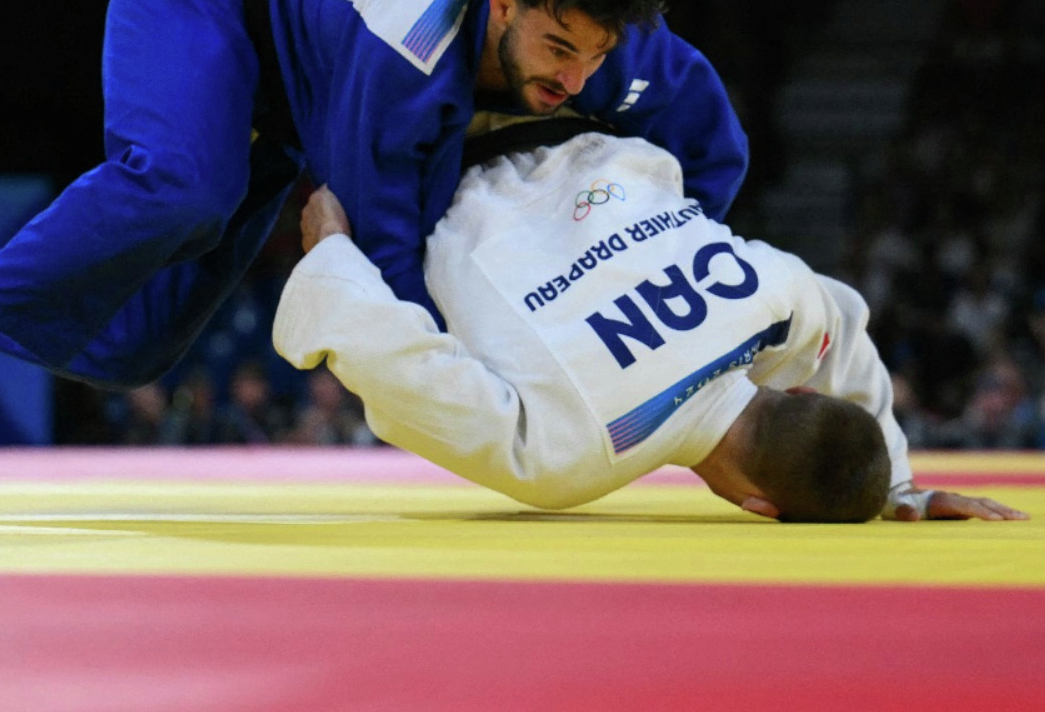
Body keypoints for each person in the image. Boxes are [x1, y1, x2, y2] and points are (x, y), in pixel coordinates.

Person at [0, 0, 749, 474]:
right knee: (181, 190)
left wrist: (639, 276)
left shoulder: (626, 48)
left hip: (302, 94)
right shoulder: (405, 63)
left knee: (132, 346)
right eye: (555, 49)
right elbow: (383, 268)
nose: (575, 80)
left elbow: (716, 158)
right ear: (501, 0)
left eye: (594, 56)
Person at [274, 118, 1028, 521]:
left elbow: (845, 331)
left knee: (714, 157)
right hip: (409, 171)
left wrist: (897, 486)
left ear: (798, 394)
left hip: (567, 111)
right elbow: (405, 374)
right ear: (756, 507)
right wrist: (334, 256)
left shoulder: (784, 301)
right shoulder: (569, 459)